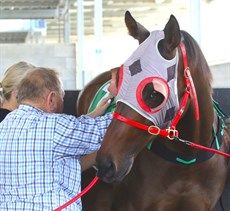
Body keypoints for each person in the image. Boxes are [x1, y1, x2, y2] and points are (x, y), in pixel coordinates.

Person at [0, 67, 113, 211]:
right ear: (51, 98)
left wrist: (93, 114)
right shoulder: (53, 126)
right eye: (62, 96)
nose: (63, 100)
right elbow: (106, 129)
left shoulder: (4, 126)